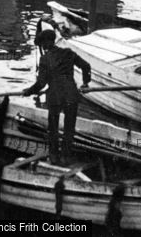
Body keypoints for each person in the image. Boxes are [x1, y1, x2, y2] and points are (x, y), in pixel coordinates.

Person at [22, 29, 91, 165]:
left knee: (53, 128)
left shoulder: (45, 59)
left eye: (42, 44)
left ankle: (54, 156)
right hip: (71, 95)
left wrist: (28, 92)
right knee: (69, 128)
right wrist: (85, 83)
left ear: (45, 43)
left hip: (55, 97)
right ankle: (66, 157)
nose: (42, 47)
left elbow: (41, 83)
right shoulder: (68, 53)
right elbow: (86, 66)